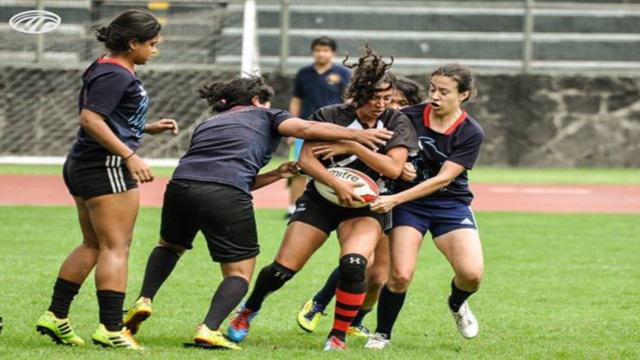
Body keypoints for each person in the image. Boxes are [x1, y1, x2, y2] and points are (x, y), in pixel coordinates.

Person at [122, 75, 393, 350]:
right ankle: (211, 328)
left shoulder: (209, 123)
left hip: (180, 186)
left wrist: (276, 174)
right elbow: (306, 128)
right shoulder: (269, 115)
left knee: (169, 246)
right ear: (256, 100)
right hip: (226, 192)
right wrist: (357, 135)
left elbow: (227, 173)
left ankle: (144, 298)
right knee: (239, 272)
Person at [227, 46, 417, 351]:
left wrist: (354, 147)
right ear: (357, 94)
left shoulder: (396, 122)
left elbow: (394, 169)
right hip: (321, 200)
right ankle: (248, 310)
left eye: (386, 98)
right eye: (374, 98)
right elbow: (307, 160)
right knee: (282, 269)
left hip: (365, 206)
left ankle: (337, 336)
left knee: (355, 265)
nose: (381, 105)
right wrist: (333, 183)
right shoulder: (331, 115)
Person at [35, 10, 178, 350]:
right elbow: (90, 119)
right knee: (117, 246)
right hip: (105, 166)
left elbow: (108, 118)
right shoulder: (117, 75)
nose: (154, 51)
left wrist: (145, 127)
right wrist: (130, 155)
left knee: (93, 244)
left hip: (85, 163)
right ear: (133, 43)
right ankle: (112, 329)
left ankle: (56, 316)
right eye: (152, 45)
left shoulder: (106, 66)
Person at [296, 76, 427, 337]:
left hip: (401, 203)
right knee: (359, 260)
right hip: (372, 201)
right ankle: (319, 303)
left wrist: (411, 171)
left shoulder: (408, 129)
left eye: (401, 103)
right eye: (393, 101)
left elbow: (418, 166)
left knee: (379, 276)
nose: (393, 107)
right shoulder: (373, 122)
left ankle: (356, 320)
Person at [365, 64, 485, 349]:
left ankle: (456, 304)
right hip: (411, 206)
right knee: (400, 274)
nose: (435, 95)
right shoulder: (406, 117)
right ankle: (382, 334)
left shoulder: (470, 132)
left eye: (444, 91)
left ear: (463, 95)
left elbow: (443, 179)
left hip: (450, 205)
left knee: (472, 275)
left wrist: (394, 198)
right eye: (433, 88)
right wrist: (398, 164)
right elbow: (381, 150)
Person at [286, 36, 351, 219]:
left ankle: (335, 201)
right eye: (318, 50)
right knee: (298, 168)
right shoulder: (303, 73)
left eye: (325, 50)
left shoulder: (343, 74)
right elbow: (296, 100)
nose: (321, 53)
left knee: (335, 167)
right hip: (304, 129)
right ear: (313, 52)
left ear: (332, 53)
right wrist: (292, 125)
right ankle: (293, 207)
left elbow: (349, 101)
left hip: (332, 130)